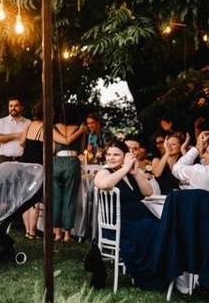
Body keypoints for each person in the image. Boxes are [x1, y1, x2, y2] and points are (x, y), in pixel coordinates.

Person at [93, 141, 157, 280]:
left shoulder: (130, 173)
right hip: (119, 222)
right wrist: (125, 168)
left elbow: (148, 192)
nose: (111, 158)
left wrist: (135, 173)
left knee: (161, 226)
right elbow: (104, 184)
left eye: (116, 154)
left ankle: (159, 269)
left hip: (138, 216)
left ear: (125, 156)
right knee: (149, 228)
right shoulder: (105, 172)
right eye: (109, 154)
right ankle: (148, 273)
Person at [51, 112, 88, 242]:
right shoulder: (80, 128)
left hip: (56, 162)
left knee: (56, 197)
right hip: (72, 161)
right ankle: (67, 234)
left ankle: (57, 233)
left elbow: (53, 148)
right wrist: (80, 131)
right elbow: (82, 148)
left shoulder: (53, 128)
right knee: (69, 197)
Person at [20, 104, 46, 239]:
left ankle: (27, 231)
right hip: (37, 163)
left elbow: (21, 142)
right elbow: (49, 149)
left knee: (26, 196)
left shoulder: (29, 124)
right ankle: (32, 232)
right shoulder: (46, 127)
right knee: (35, 197)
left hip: (25, 162)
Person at [0, 97, 28, 163]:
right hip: (5, 159)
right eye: (11, 106)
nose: (13, 108)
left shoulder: (28, 122)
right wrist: (18, 135)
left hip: (22, 159)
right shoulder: (1, 121)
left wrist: (5, 136)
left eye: (16, 105)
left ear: (21, 107)